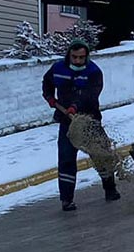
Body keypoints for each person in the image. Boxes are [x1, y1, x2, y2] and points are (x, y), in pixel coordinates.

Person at [42, 39, 119, 211]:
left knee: (102, 155)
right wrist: (50, 97)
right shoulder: (58, 69)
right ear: (69, 54)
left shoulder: (94, 72)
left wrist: (74, 106)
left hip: (89, 121)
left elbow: (89, 95)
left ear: (87, 57)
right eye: (74, 57)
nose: (77, 61)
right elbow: (46, 83)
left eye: (81, 57)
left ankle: (110, 189)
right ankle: (66, 200)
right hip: (66, 122)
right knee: (66, 159)